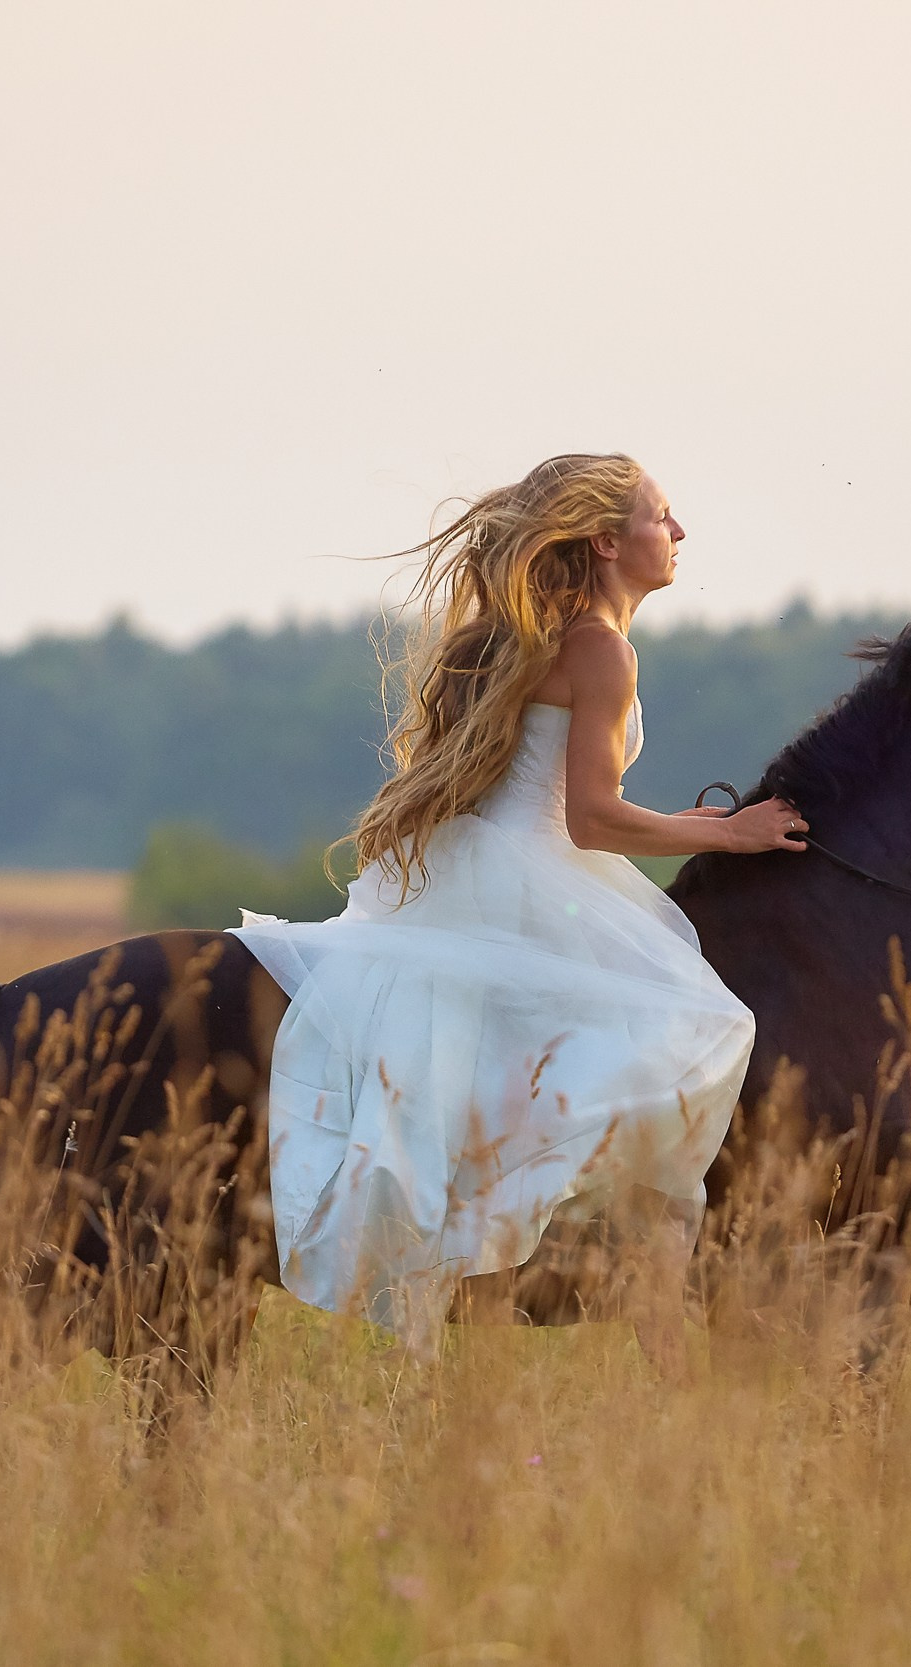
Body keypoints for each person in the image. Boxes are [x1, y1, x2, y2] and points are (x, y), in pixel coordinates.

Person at [233, 453, 807, 1348]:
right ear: (609, 541)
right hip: (531, 874)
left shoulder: (552, 638)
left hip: (494, 866)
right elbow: (590, 818)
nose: (681, 532)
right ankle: (576, 1248)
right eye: (665, 516)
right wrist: (729, 833)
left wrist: (672, 821)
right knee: (699, 1022)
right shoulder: (601, 650)